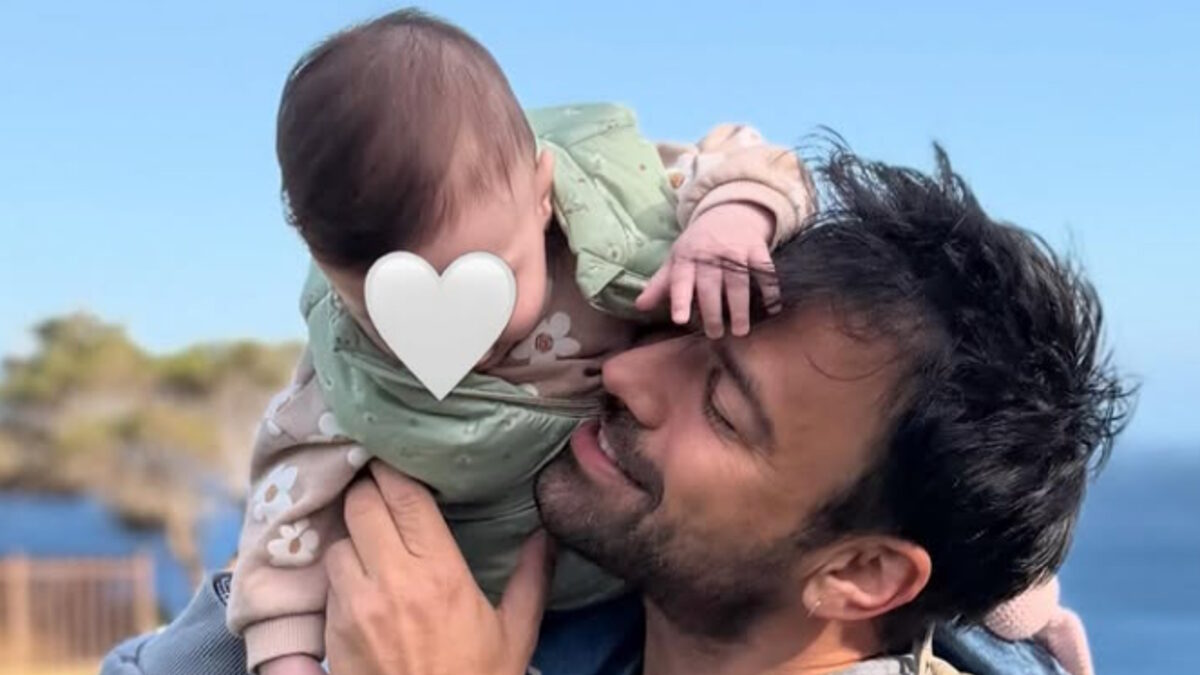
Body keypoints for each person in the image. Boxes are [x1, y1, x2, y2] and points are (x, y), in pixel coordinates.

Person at [102, 144, 1127, 675]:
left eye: (722, 406)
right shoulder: (524, 596)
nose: (630, 374)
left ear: (860, 573)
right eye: (673, 325)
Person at [233, 8, 817, 675]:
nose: (461, 335)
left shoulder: (618, 208)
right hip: (472, 612)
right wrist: (286, 653)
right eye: (389, 309)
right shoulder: (349, 376)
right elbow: (287, 507)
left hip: (634, 575)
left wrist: (734, 214)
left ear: (542, 194)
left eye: (493, 276)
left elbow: (745, 157)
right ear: (328, 271)